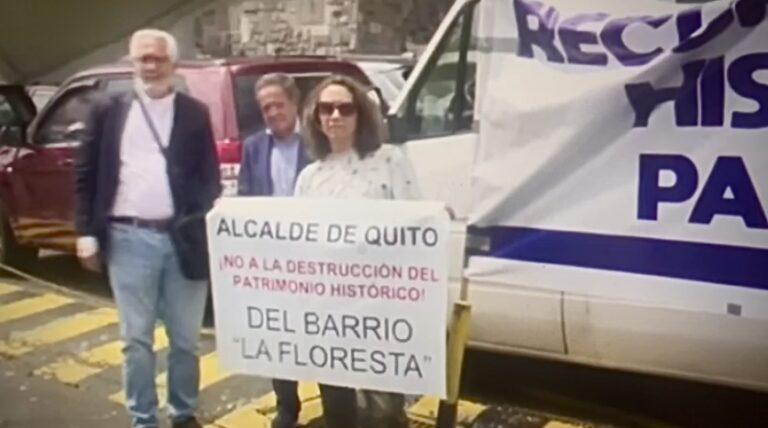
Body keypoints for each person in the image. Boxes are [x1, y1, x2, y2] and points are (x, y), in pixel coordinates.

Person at [74, 29, 221, 428]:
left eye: (158, 58)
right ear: (132, 62)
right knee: (136, 342)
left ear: (173, 64)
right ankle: (143, 419)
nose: (151, 66)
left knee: (186, 340)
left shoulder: (194, 112)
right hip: (128, 240)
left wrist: (198, 217)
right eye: (143, 59)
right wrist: (86, 232)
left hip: (182, 241)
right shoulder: (107, 110)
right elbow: (86, 174)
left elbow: (210, 176)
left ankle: (183, 413)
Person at [295, 75, 420, 428]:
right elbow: (298, 241)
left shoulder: (390, 160)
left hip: (379, 305)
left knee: (385, 411)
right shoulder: (309, 177)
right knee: (337, 409)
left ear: (360, 115)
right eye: (326, 108)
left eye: (345, 108)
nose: (335, 115)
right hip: (328, 307)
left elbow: (413, 222)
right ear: (315, 117)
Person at [236, 73, 310, 428]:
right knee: (279, 334)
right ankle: (286, 406)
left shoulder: (318, 140)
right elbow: (246, 199)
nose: (273, 112)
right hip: (273, 261)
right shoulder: (252, 148)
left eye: (279, 104)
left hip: (314, 258)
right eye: (266, 107)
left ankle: (335, 403)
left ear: (295, 104)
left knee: (317, 330)